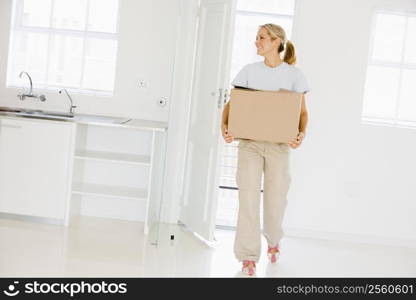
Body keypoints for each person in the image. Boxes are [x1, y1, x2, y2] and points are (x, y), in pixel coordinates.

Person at [221, 23, 310, 276]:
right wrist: (225, 127)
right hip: (249, 144)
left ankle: (273, 239)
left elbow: (302, 113)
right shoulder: (249, 71)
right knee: (248, 199)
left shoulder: (294, 75)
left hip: (279, 147)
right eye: (256, 37)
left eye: (261, 38)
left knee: (275, 200)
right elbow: (231, 105)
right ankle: (248, 257)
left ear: (276, 41)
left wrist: (301, 134)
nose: (256, 42)